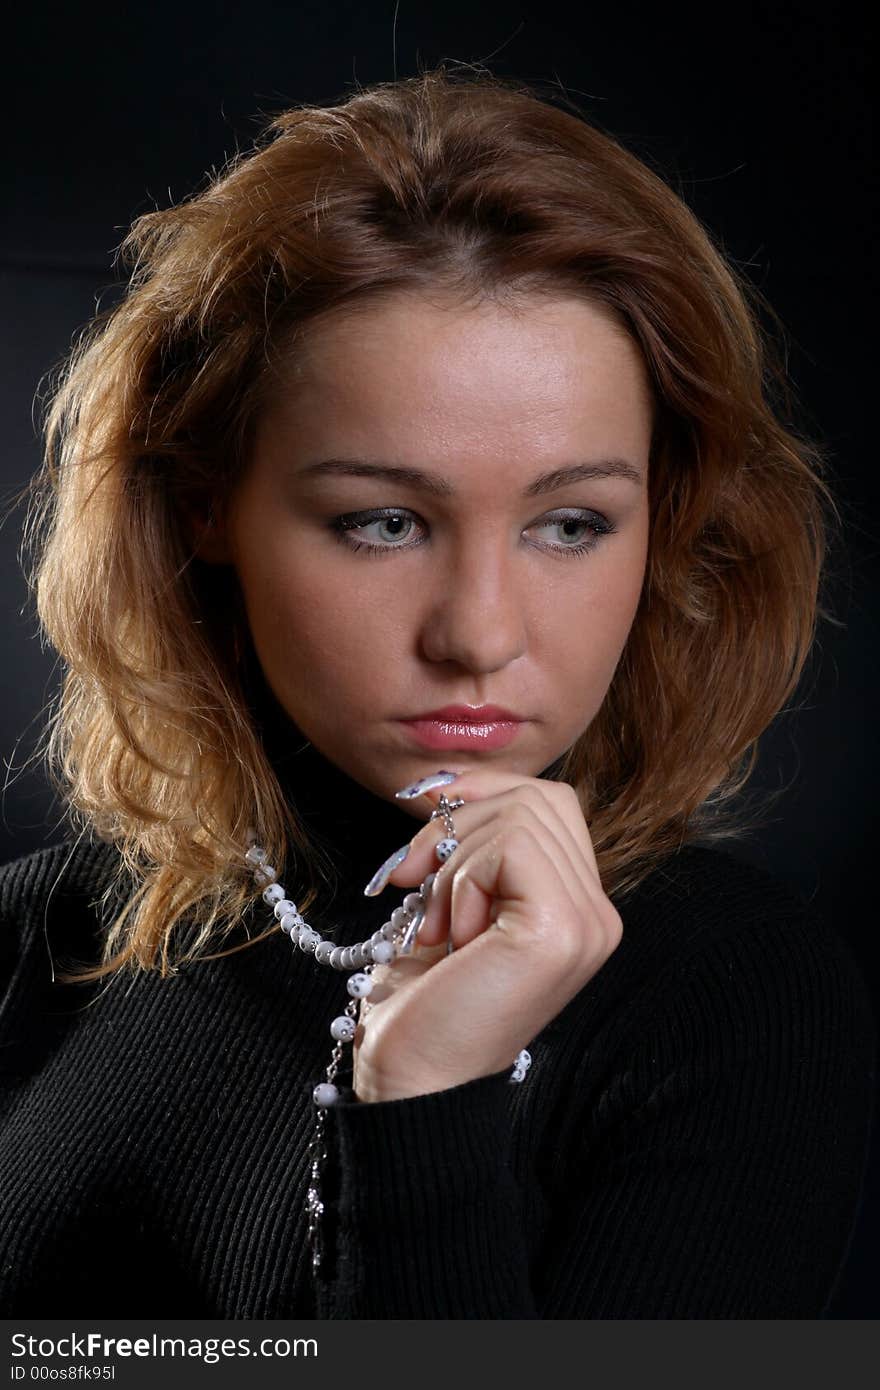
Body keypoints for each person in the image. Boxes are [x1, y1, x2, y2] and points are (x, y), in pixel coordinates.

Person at [0, 64, 874, 1320]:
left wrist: (420, 1103)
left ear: (665, 521)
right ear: (206, 504)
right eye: (383, 521)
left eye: (570, 523)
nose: (479, 634)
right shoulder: (42, 933)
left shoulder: (733, 1000)